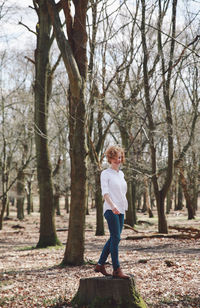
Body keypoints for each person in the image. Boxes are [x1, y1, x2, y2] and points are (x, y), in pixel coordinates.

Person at [94, 145, 129, 279]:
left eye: (119, 157)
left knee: (114, 238)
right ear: (110, 159)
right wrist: (113, 206)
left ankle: (100, 264)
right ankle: (116, 269)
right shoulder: (105, 173)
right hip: (110, 209)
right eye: (114, 158)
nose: (118, 160)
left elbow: (121, 192)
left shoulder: (121, 174)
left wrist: (121, 207)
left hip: (121, 209)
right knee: (116, 238)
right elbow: (105, 193)